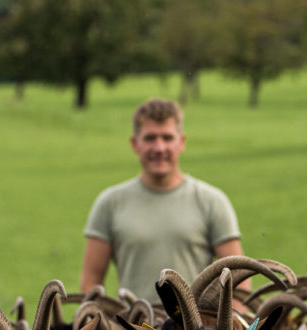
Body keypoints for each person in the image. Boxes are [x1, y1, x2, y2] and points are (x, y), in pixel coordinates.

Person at [80, 98, 249, 304]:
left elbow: (238, 282)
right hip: (133, 329)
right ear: (135, 144)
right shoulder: (110, 202)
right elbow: (91, 281)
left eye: (167, 138)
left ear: (181, 142)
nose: (159, 148)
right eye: (150, 138)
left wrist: (232, 327)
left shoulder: (211, 201)